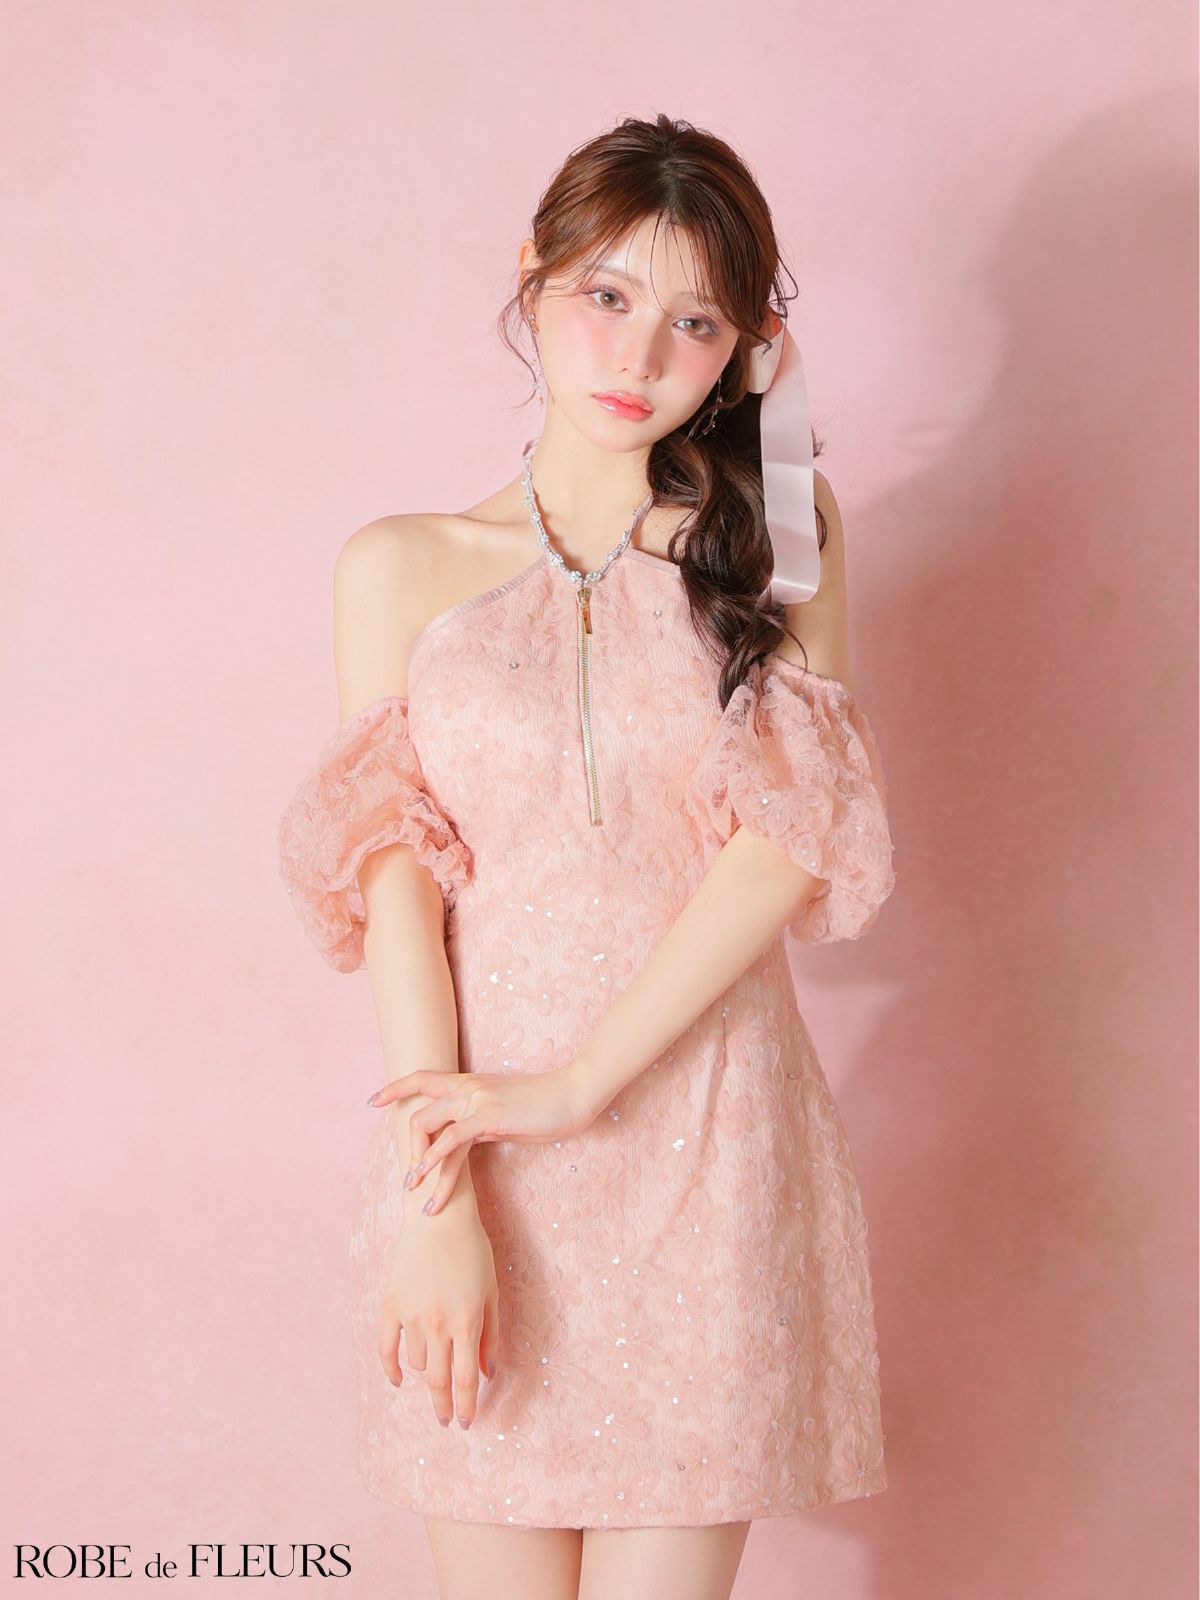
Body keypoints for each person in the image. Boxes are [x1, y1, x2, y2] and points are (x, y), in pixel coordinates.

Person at [278, 113, 897, 1600]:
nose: (639, 355)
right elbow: (398, 881)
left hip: (708, 1144)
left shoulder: (777, 532)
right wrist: (438, 1202)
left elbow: (785, 841)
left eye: (697, 322)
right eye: (607, 295)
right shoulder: (400, 565)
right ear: (533, 274)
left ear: (744, 349)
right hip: (481, 1160)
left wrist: (575, 1085)